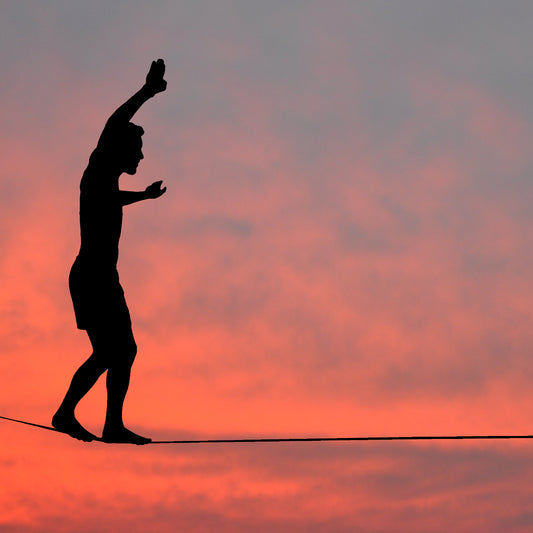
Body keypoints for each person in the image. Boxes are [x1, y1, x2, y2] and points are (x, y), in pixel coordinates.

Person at [52, 59, 167, 444]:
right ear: (119, 149)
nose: (141, 157)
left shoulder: (105, 186)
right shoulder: (98, 169)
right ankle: (73, 415)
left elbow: (112, 200)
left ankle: (100, 421)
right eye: (137, 149)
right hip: (92, 277)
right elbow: (114, 123)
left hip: (102, 278)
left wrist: (144, 196)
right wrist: (147, 92)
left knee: (119, 351)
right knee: (113, 351)